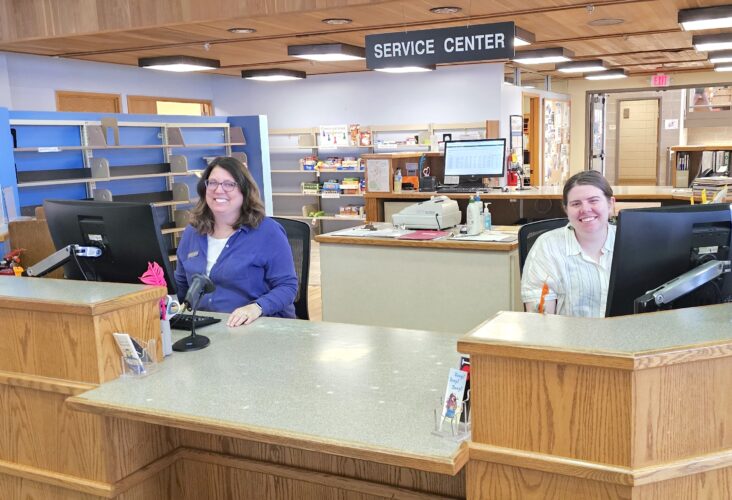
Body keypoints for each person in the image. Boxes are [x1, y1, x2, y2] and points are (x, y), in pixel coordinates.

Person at [175, 156, 298, 326]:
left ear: (244, 190)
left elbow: (288, 287)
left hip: (260, 326)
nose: (219, 190)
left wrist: (256, 308)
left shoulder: (268, 232)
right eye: (213, 183)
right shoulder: (192, 232)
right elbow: (181, 285)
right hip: (206, 327)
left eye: (229, 184)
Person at [521, 170, 616, 317]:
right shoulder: (547, 247)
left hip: (629, 331)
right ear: (566, 209)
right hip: (569, 332)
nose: (585, 209)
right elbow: (540, 320)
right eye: (576, 204)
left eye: (593, 200)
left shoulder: (632, 242)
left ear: (610, 204)